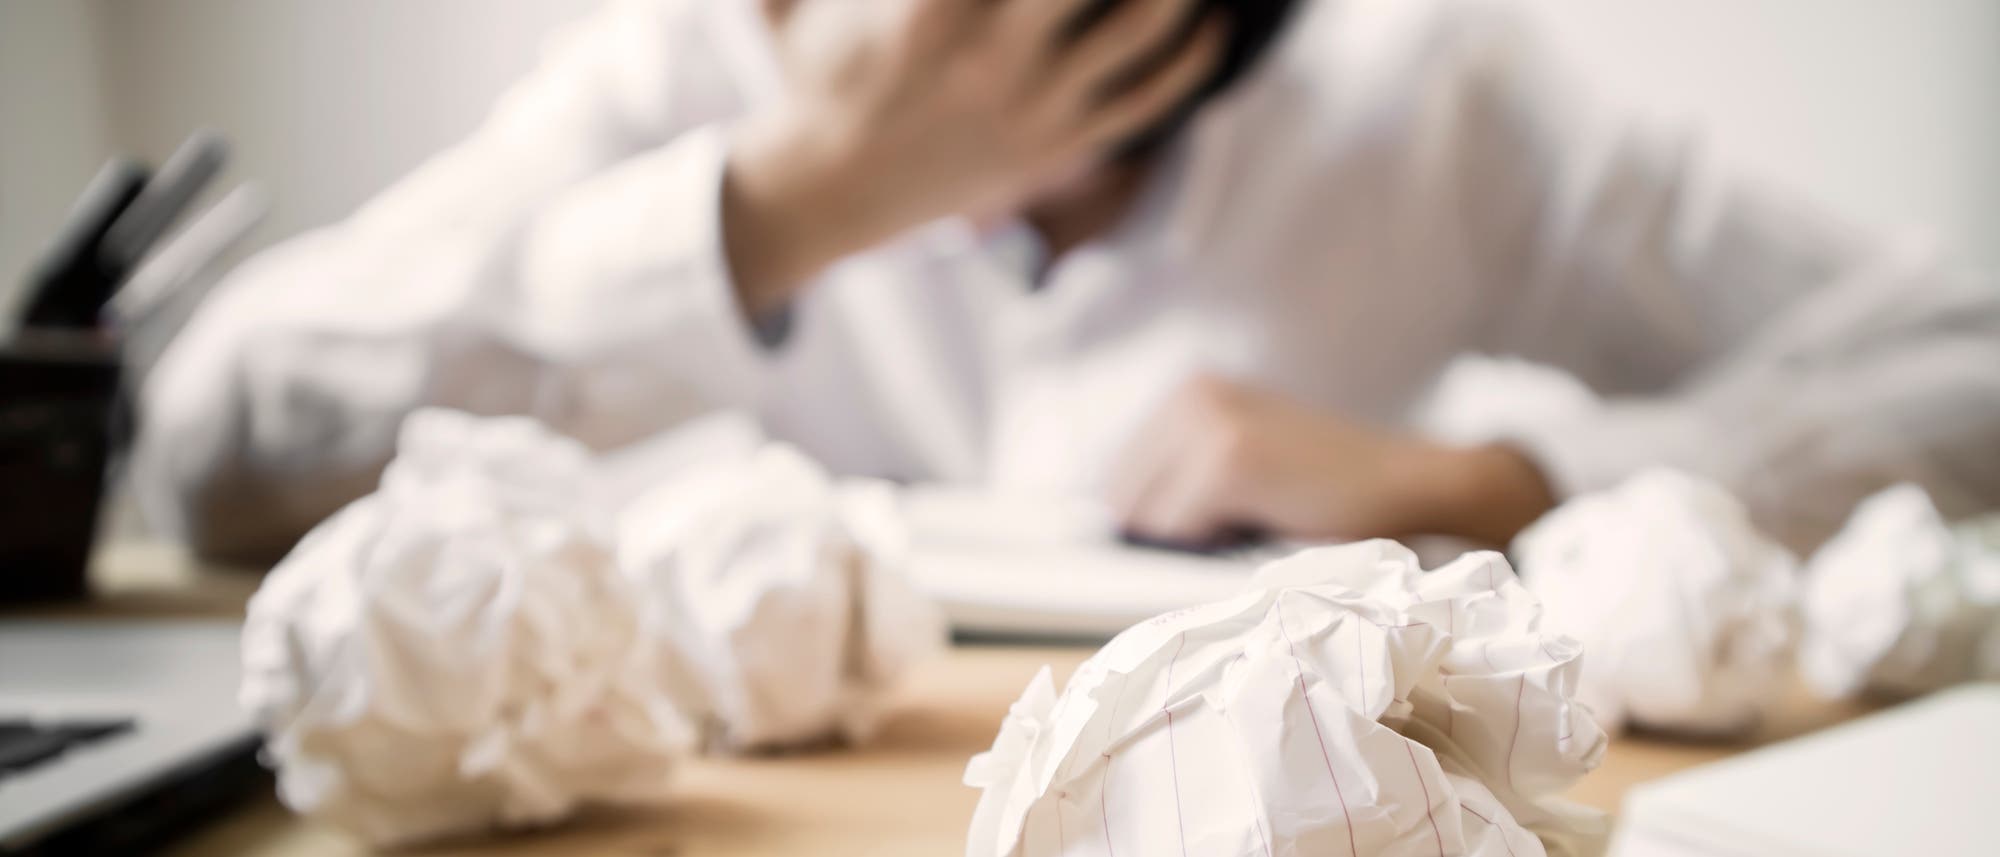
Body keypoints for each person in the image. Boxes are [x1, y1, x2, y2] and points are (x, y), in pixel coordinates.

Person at [138, 0, 2000, 563]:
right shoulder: (704, 72)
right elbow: (216, 451)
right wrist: (783, 208)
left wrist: (1509, 486)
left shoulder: (1422, 104)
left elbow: (1968, 363)